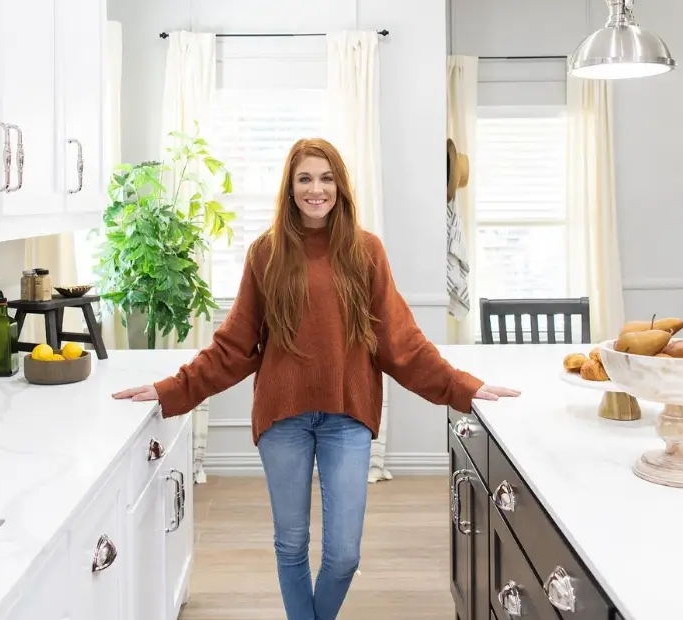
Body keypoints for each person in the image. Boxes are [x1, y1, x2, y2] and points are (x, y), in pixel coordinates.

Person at [112, 137, 520, 619]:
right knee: (291, 544)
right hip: (283, 417)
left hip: (347, 416)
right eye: (304, 178)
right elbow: (235, 347)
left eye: (326, 178)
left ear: (340, 187)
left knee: (344, 554)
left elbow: (402, 344)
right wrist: (169, 390)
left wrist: (464, 387)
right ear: (290, 187)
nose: (315, 189)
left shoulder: (366, 251)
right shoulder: (265, 253)